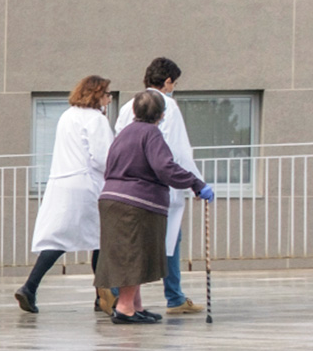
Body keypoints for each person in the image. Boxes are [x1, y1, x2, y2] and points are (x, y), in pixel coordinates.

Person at [98, 90, 212, 324]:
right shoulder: (152, 134)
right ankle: (125, 308)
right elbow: (165, 167)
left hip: (112, 198)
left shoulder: (125, 133)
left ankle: (135, 305)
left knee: (130, 252)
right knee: (134, 253)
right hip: (136, 202)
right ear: (161, 114)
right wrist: (195, 183)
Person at [15, 75, 114, 314]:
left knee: (57, 239)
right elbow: (102, 158)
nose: (109, 99)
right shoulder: (96, 119)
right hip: (87, 185)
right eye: (107, 94)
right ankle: (103, 296)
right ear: (97, 95)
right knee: (101, 238)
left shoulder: (67, 115)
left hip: (61, 183)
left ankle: (30, 286)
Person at [144, 57, 204, 315]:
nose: (173, 88)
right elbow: (179, 150)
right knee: (171, 238)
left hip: (135, 183)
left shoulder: (129, 105)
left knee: (136, 241)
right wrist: (196, 183)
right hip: (163, 183)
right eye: (174, 83)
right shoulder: (168, 106)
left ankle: (117, 295)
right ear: (167, 81)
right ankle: (174, 297)